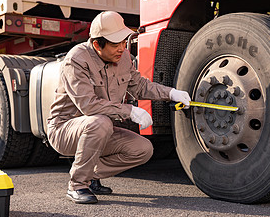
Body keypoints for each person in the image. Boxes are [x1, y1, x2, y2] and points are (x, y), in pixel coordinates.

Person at [47, 11, 190, 204]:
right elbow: (88, 106)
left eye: (124, 42)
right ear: (97, 44)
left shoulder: (123, 58)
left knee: (143, 149)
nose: (122, 48)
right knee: (100, 122)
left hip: (101, 129)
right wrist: (129, 111)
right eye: (115, 44)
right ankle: (78, 184)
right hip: (65, 129)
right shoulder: (76, 60)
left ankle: (91, 175)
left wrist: (171, 93)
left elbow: (140, 86)